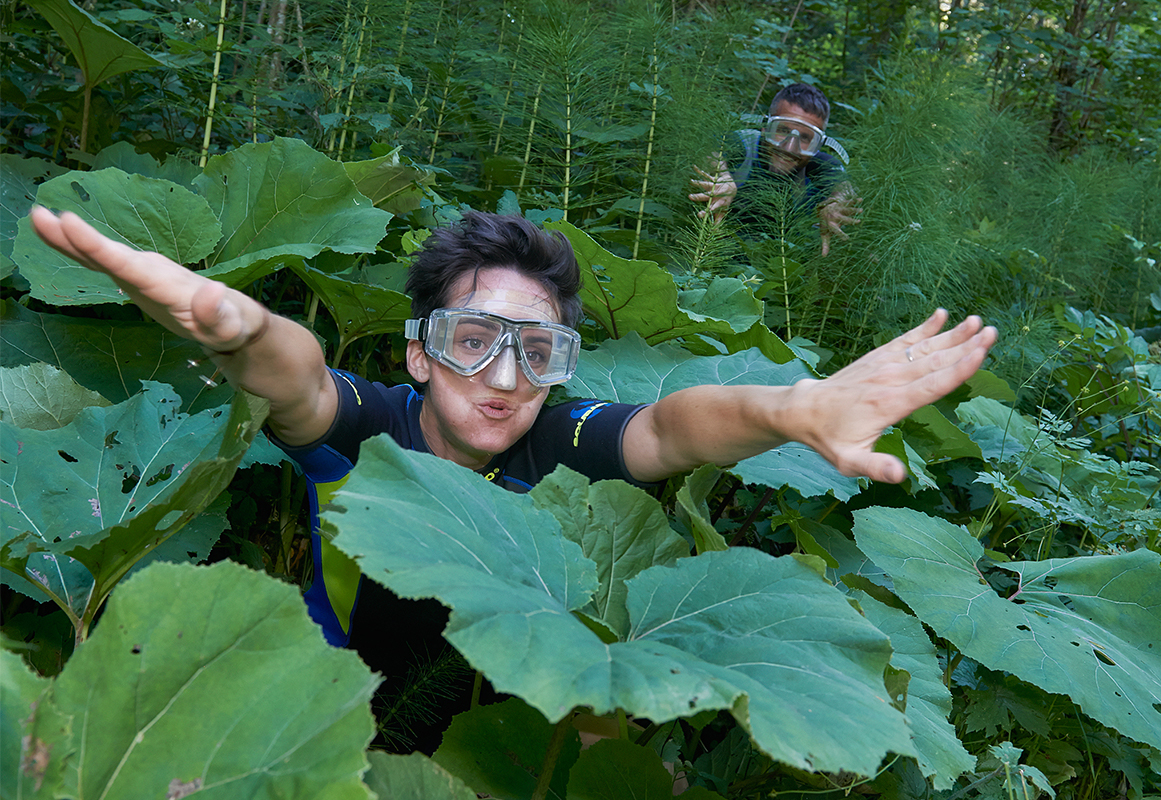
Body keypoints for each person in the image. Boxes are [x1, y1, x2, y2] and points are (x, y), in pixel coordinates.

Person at [30, 205, 994, 743]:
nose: (503, 378)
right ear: (419, 353)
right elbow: (299, 379)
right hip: (327, 713)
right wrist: (243, 331)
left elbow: (673, 426)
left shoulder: (559, 443)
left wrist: (788, 408)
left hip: (503, 726)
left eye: (539, 352)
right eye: (474, 341)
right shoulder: (368, 428)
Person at [689, 82, 861, 255]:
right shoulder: (743, 145)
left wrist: (835, 205)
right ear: (765, 127)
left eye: (806, 138)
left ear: (819, 144)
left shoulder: (821, 165)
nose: (790, 148)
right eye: (783, 130)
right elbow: (709, 149)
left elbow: (843, 186)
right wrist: (721, 175)